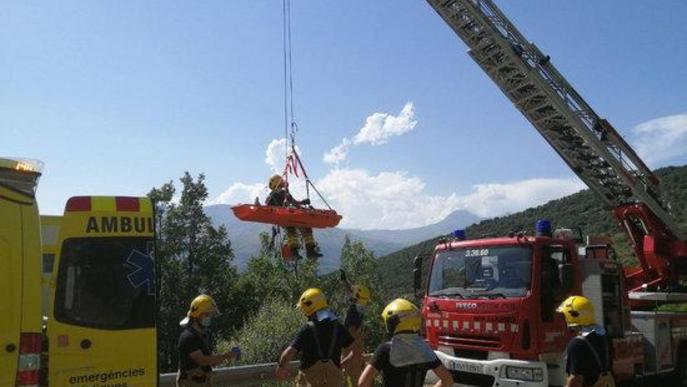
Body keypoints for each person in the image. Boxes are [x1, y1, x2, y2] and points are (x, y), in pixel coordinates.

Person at [358, 298, 454, 387]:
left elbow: (363, 383)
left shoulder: (385, 349)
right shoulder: (424, 349)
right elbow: (448, 380)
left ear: (392, 322)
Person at [275, 288, 359, 386]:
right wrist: (341, 365)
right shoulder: (338, 327)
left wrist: (281, 367)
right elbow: (356, 351)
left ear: (309, 307)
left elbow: (288, 353)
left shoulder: (307, 329)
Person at [176, 295, 239, 387]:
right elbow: (202, 360)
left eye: (210, 315)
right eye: (207, 314)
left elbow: (209, 361)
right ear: (197, 315)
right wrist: (225, 356)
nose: (209, 317)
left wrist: (223, 357)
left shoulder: (202, 336)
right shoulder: (188, 337)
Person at [557, 295, 615, 387]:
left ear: (572, 316)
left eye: (565, 316)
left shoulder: (576, 344)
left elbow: (576, 379)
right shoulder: (604, 337)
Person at [266, 174, 322, 259]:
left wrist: (303, 202)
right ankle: (294, 252)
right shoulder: (273, 195)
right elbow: (268, 205)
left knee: (307, 228)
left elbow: (294, 202)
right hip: (282, 216)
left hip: (290, 215)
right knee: (291, 229)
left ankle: (310, 251)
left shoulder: (284, 193)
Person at [340, 271, 371, 386]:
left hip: (350, 348)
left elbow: (351, 291)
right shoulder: (354, 312)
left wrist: (344, 280)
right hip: (352, 349)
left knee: (350, 376)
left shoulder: (354, 305)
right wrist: (359, 345)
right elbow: (352, 331)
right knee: (355, 378)